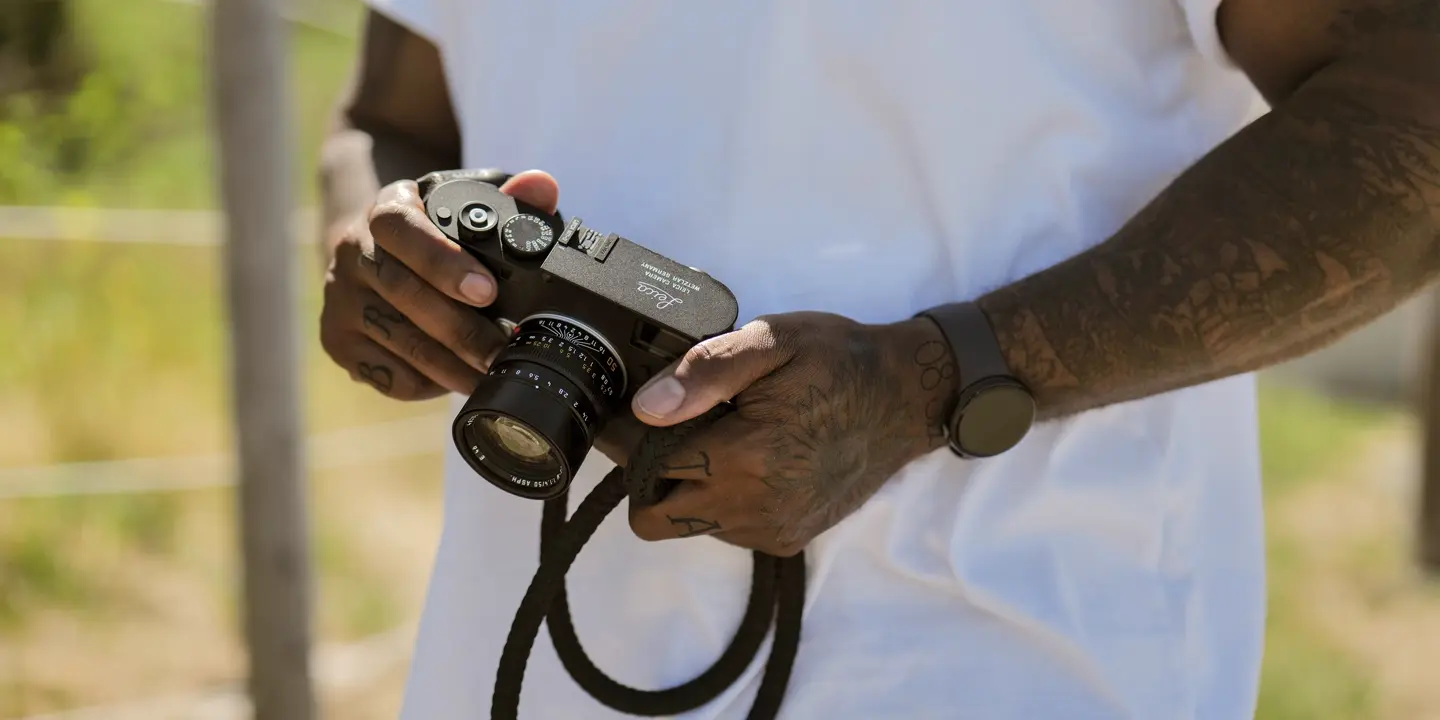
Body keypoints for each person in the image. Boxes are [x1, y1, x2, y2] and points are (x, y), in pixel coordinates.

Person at [315, 0, 1440, 717]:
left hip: (1010, 665)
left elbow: (1414, 118)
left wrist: (943, 377)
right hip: (524, 664)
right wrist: (383, 245)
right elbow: (388, 115)